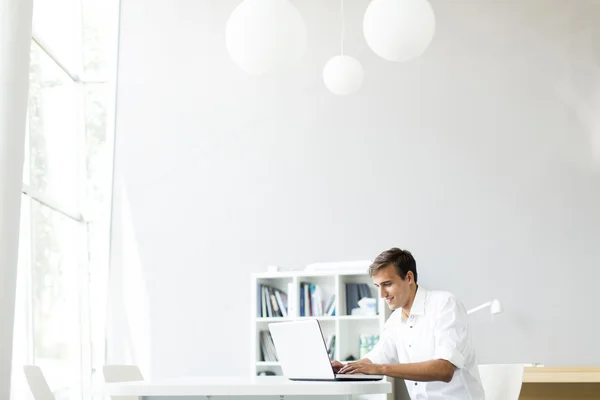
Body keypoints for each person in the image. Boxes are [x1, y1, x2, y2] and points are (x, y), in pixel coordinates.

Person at [332, 247, 485, 400]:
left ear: (409, 278)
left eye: (387, 284)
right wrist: (346, 368)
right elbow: (376, 358)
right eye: (378, 286)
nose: (382, 295)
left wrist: (381, 369)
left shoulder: (444, 304)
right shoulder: (394, 321)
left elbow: (444, 369)